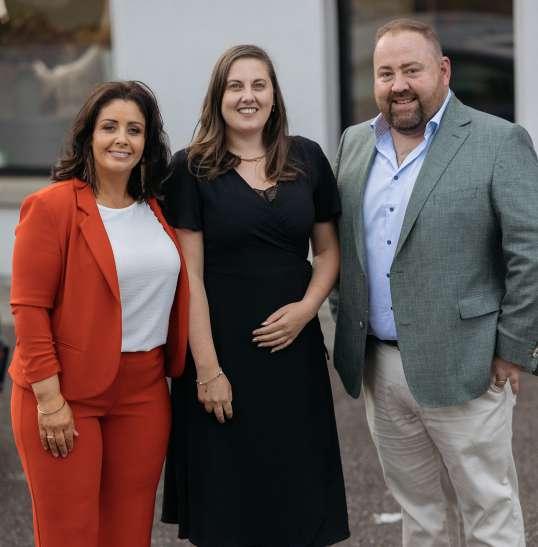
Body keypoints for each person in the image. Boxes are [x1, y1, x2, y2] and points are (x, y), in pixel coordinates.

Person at [330, 18, 538, 547]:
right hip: (381, 367)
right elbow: (340, 243)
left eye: (411, 70)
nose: (398, 85)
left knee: (489, 512)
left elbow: (530, 253)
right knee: (418, 515)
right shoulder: (355, 143)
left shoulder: (498, 141)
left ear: (443, 71)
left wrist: (511, 349)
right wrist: (345, 318)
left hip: (469, 364)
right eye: (385, 73)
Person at [161, 44, 349, 547]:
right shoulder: (190, 168)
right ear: (218, 97)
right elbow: (188, 276)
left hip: (294, 353)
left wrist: (307, 310)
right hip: (222, 354)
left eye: (258, 85)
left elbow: (328, 252)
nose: (248, 96)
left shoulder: (306, 157)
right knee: (229, 500)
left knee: (298, 492)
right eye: (235, 86)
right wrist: (208, 371)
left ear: (273, 95)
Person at [9, 80, 189, 547]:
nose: (121, 139)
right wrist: (49, 401)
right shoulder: (51, 207)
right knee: (70, 535)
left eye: (134, 129)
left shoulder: (155, 209)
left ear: (147, 142)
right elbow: (29, 308)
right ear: (88, 134)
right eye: (109, 127)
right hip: (65, 392)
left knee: (129, 534)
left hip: (144, 392)